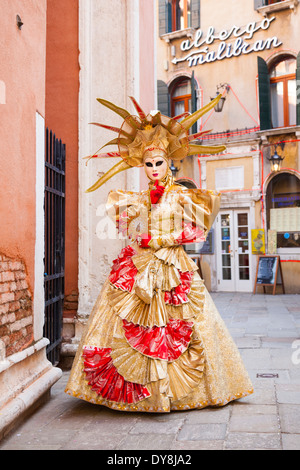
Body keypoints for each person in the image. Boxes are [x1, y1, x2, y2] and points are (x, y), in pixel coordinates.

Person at [65, 95, 253, 412]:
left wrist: (163, 238)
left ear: (169, 163)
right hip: (141, 267)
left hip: (173, 266)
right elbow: (133, 229)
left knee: (187, 324)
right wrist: (142, 238)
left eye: (159, 163)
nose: (153, 169)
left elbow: (194, 231)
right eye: (148, 164)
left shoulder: (181, 195)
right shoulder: (137, 198)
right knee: (126, 321)